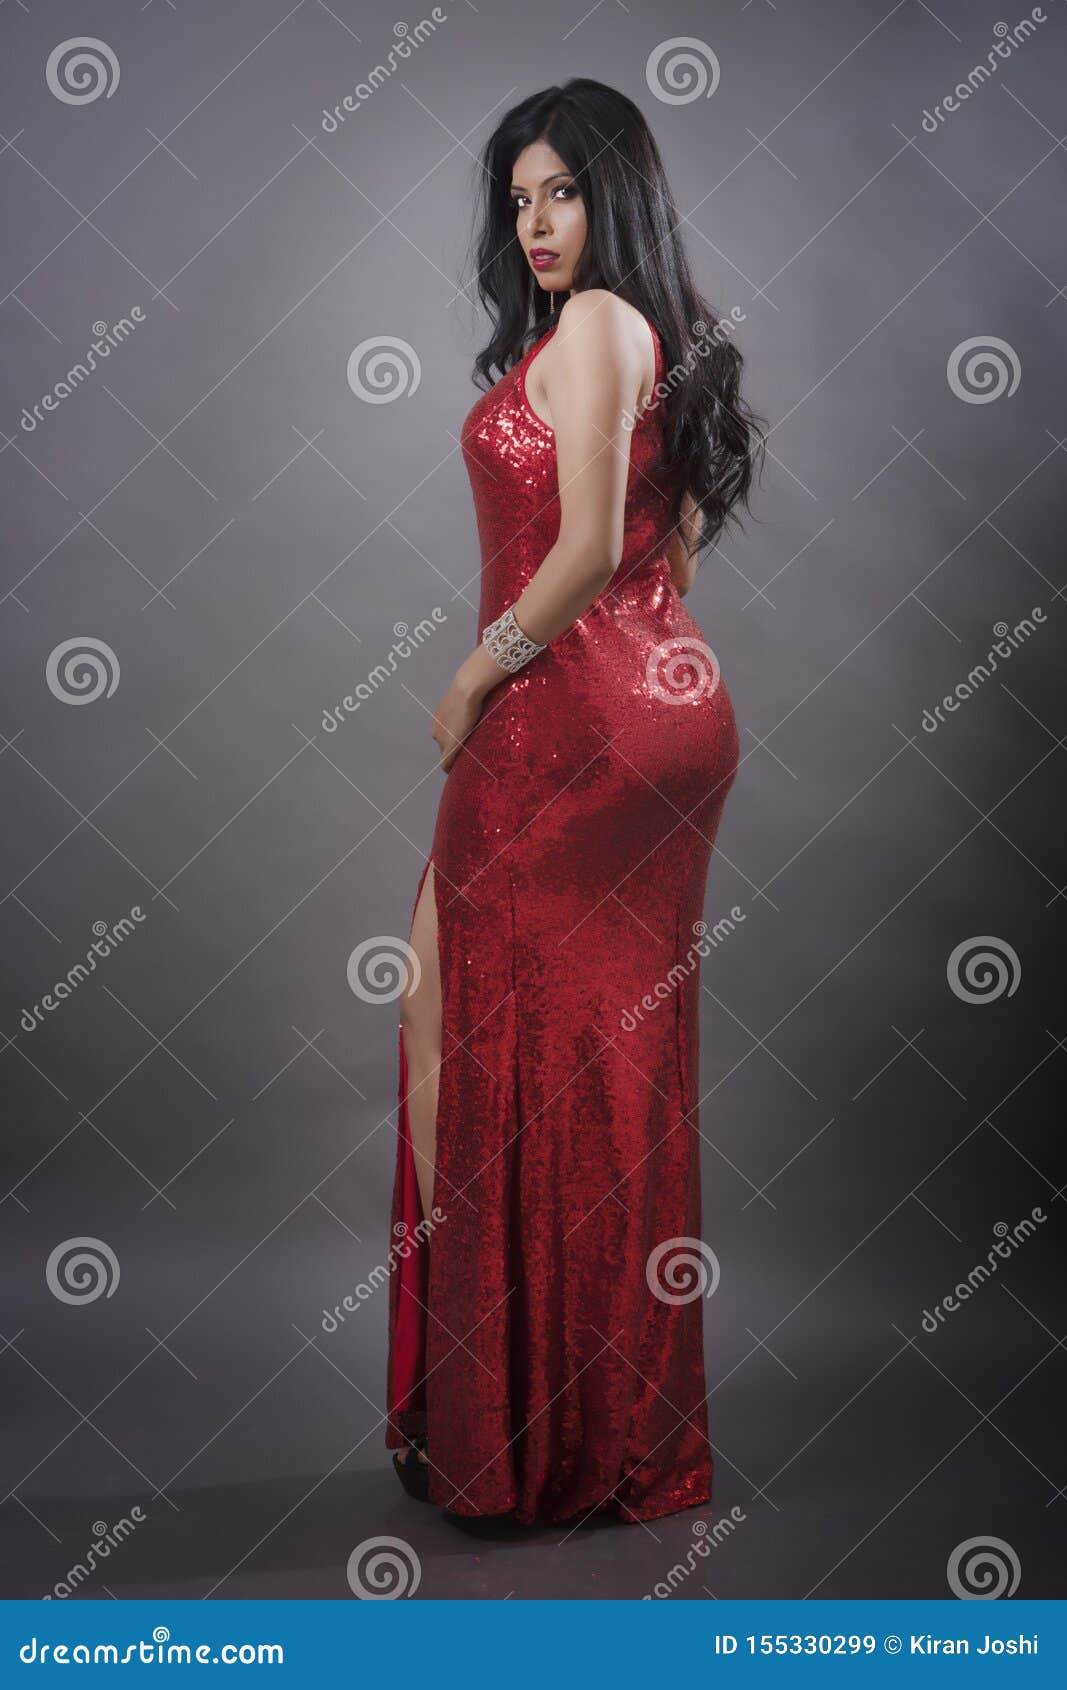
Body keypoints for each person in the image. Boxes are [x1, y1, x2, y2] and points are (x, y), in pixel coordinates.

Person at [385, 76, 762, 1528]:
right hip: (638, 710)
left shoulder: (603, 325)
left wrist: (475, 681)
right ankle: (564, 1420)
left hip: (575, 722)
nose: (538, 221)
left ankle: (525, 1428)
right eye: (520, 197)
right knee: (568, 1044)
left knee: (492, 1025)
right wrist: (651, 683)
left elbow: (596, 538)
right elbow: (663, 545)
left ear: (620, 196)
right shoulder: (604, 332)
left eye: (564, 191)